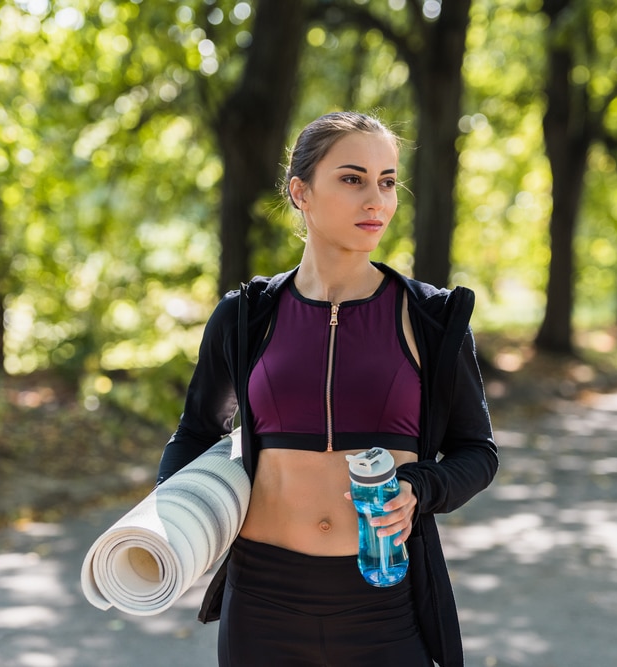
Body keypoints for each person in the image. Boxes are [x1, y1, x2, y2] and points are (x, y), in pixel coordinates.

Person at [155, 111, 498, 667]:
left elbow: (477, 452)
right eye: (352, 178)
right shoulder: (245, 317)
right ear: (301, 192)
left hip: (382, 601)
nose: (376, 201)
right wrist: (170, 518)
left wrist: (419, 487)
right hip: (262, 601)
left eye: (387, 182)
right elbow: (196, 432)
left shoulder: (430, 318)